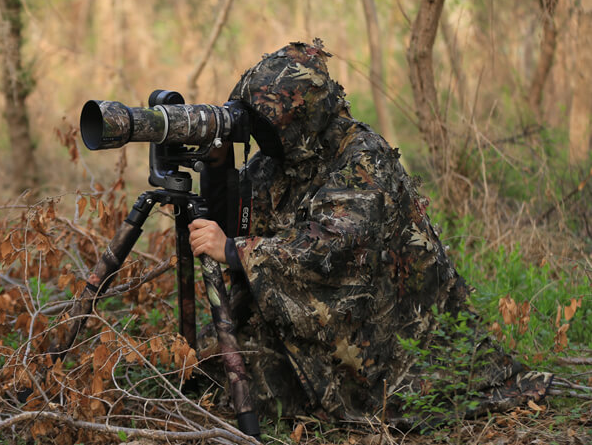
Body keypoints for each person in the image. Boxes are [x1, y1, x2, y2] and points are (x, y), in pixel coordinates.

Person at [187, 40, 550, 426]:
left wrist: (235, 251)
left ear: (302, 116)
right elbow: (237, 221)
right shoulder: (285, 159)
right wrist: (217, 164)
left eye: (270, 122)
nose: (264, 133)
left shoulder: (363, 158)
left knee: (261, 393)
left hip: (384, 331)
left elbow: (329, 248)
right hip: (320, 319)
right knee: (214, 367)